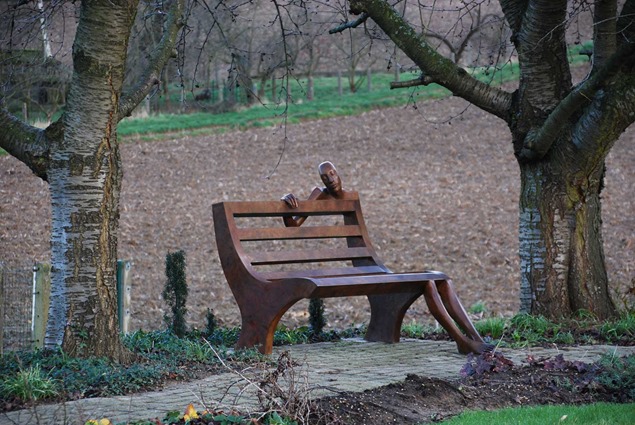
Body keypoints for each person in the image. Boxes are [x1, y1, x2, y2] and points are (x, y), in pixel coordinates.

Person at [281, 161, 493, 354]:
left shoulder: (351, 196)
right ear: (322, 181)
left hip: (370, 265)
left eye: (333, 174)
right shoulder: (319, 194)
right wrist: (286, 205)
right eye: (325, 177)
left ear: (338, 173)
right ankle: (460, 341)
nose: (331, 180)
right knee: (428, 283)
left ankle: (474, 338)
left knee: (439, 280)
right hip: (361, 269)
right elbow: (294, 224)